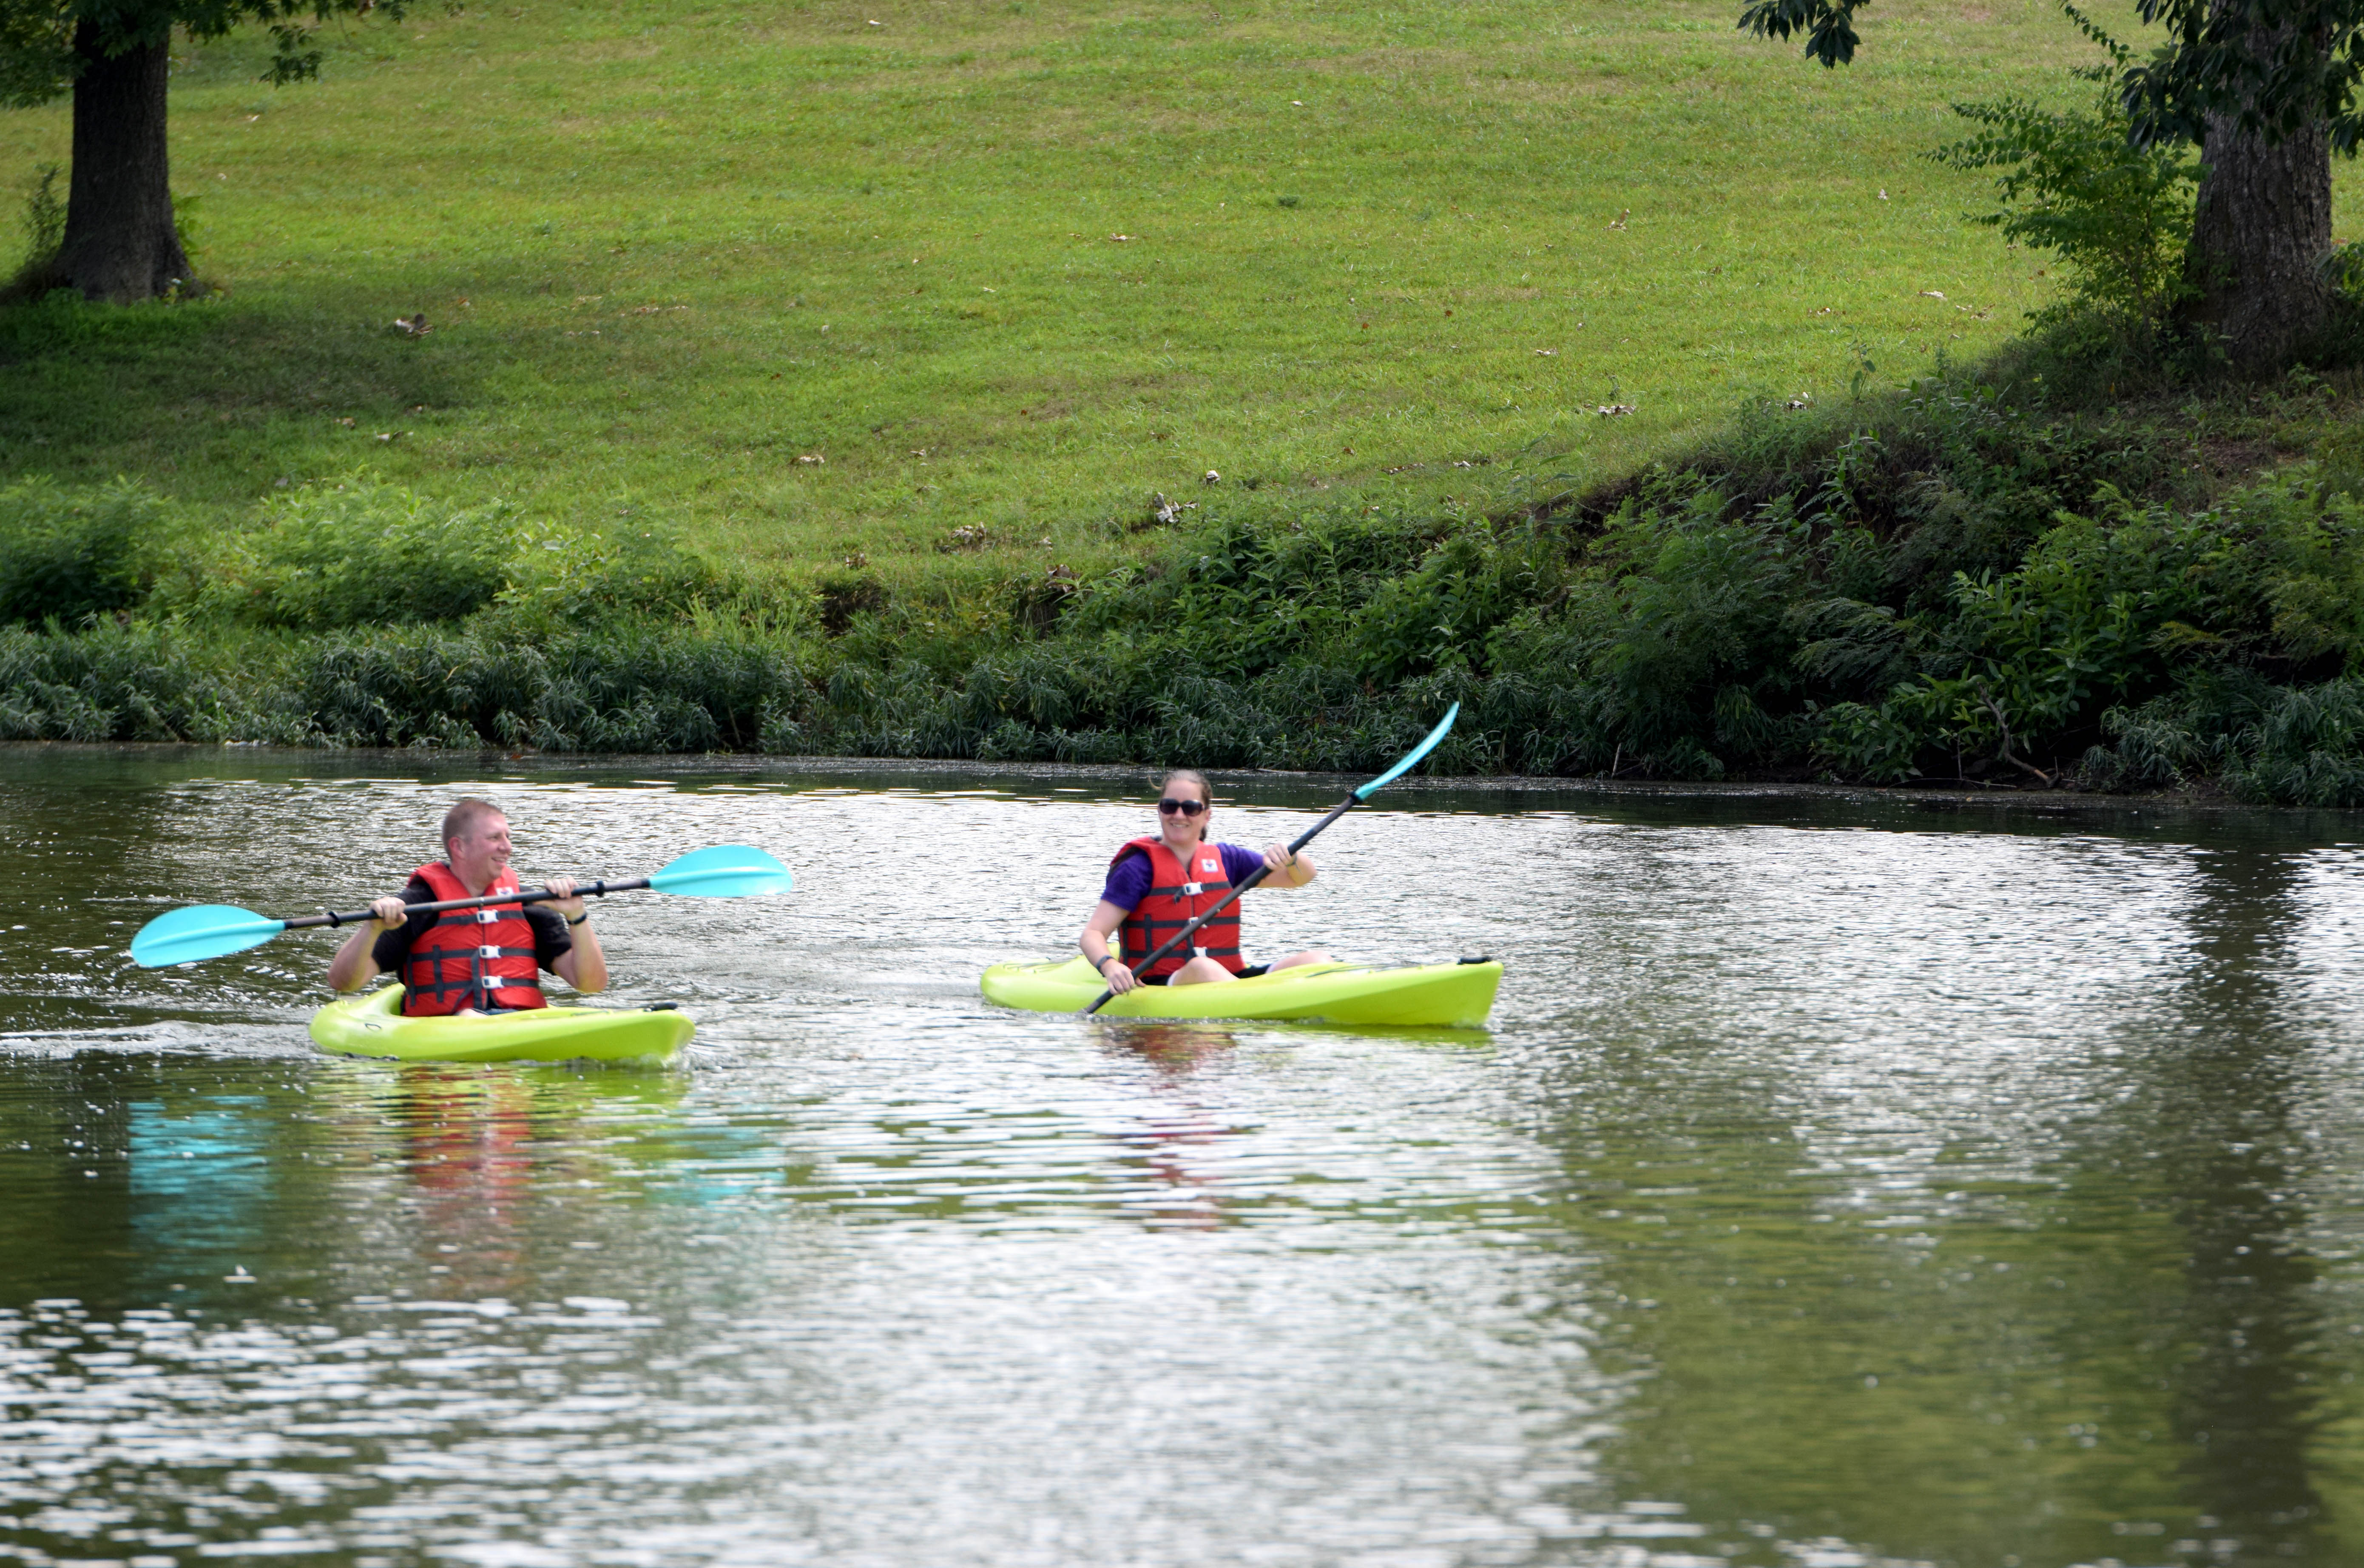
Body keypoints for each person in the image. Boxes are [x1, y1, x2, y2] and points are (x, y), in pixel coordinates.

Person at [326, 797, 608, 1016]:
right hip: (448, 1030)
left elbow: (590, 984)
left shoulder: (531, 905)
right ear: (459, 848)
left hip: (519, 1023)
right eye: (495, 838)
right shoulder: (417, 906)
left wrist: (576, 914)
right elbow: (344, 983)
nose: (507, 847)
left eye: (508, 837)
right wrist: (372, 929)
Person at [1080, 769, 1333, 994]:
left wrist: (1292, 857)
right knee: (1203, 967)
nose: (1179, 815)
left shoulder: (1227, 859)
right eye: (1170, 806)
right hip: (1159, 983)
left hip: (1230, 978)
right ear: (1159, 810)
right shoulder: (1138, 868)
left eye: (1190, 808)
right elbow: (1093, 934)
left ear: (1206, 815)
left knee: (1318, 960)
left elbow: (1300, 877)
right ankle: (1259, 1003)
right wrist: (1110, 966)